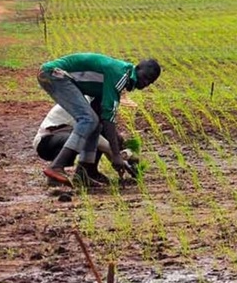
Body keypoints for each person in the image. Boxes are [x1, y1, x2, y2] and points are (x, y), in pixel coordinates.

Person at [37, 53, 161, 186]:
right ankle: (56, 166)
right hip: (55, 74)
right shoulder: (120, 75)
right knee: (89, 119)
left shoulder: (119, 75)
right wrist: (116, 155)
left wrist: (121, 153)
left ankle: (83, 173)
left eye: (150, 82)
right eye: (145, 77)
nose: (146, 83)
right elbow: (109, 118)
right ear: (138, 69)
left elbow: (100, 115)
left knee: (94, 122)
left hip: (58, 75)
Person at [33, 99, 139, 184]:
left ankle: (88, 173)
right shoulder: (82, 107)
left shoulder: (93, 105)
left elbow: (106, 138)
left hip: (65, 135)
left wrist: (120, 158)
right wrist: (121, 156)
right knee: (79, 139)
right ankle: (55, 172)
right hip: (47, 142)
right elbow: (92, 139)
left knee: (113, 137)